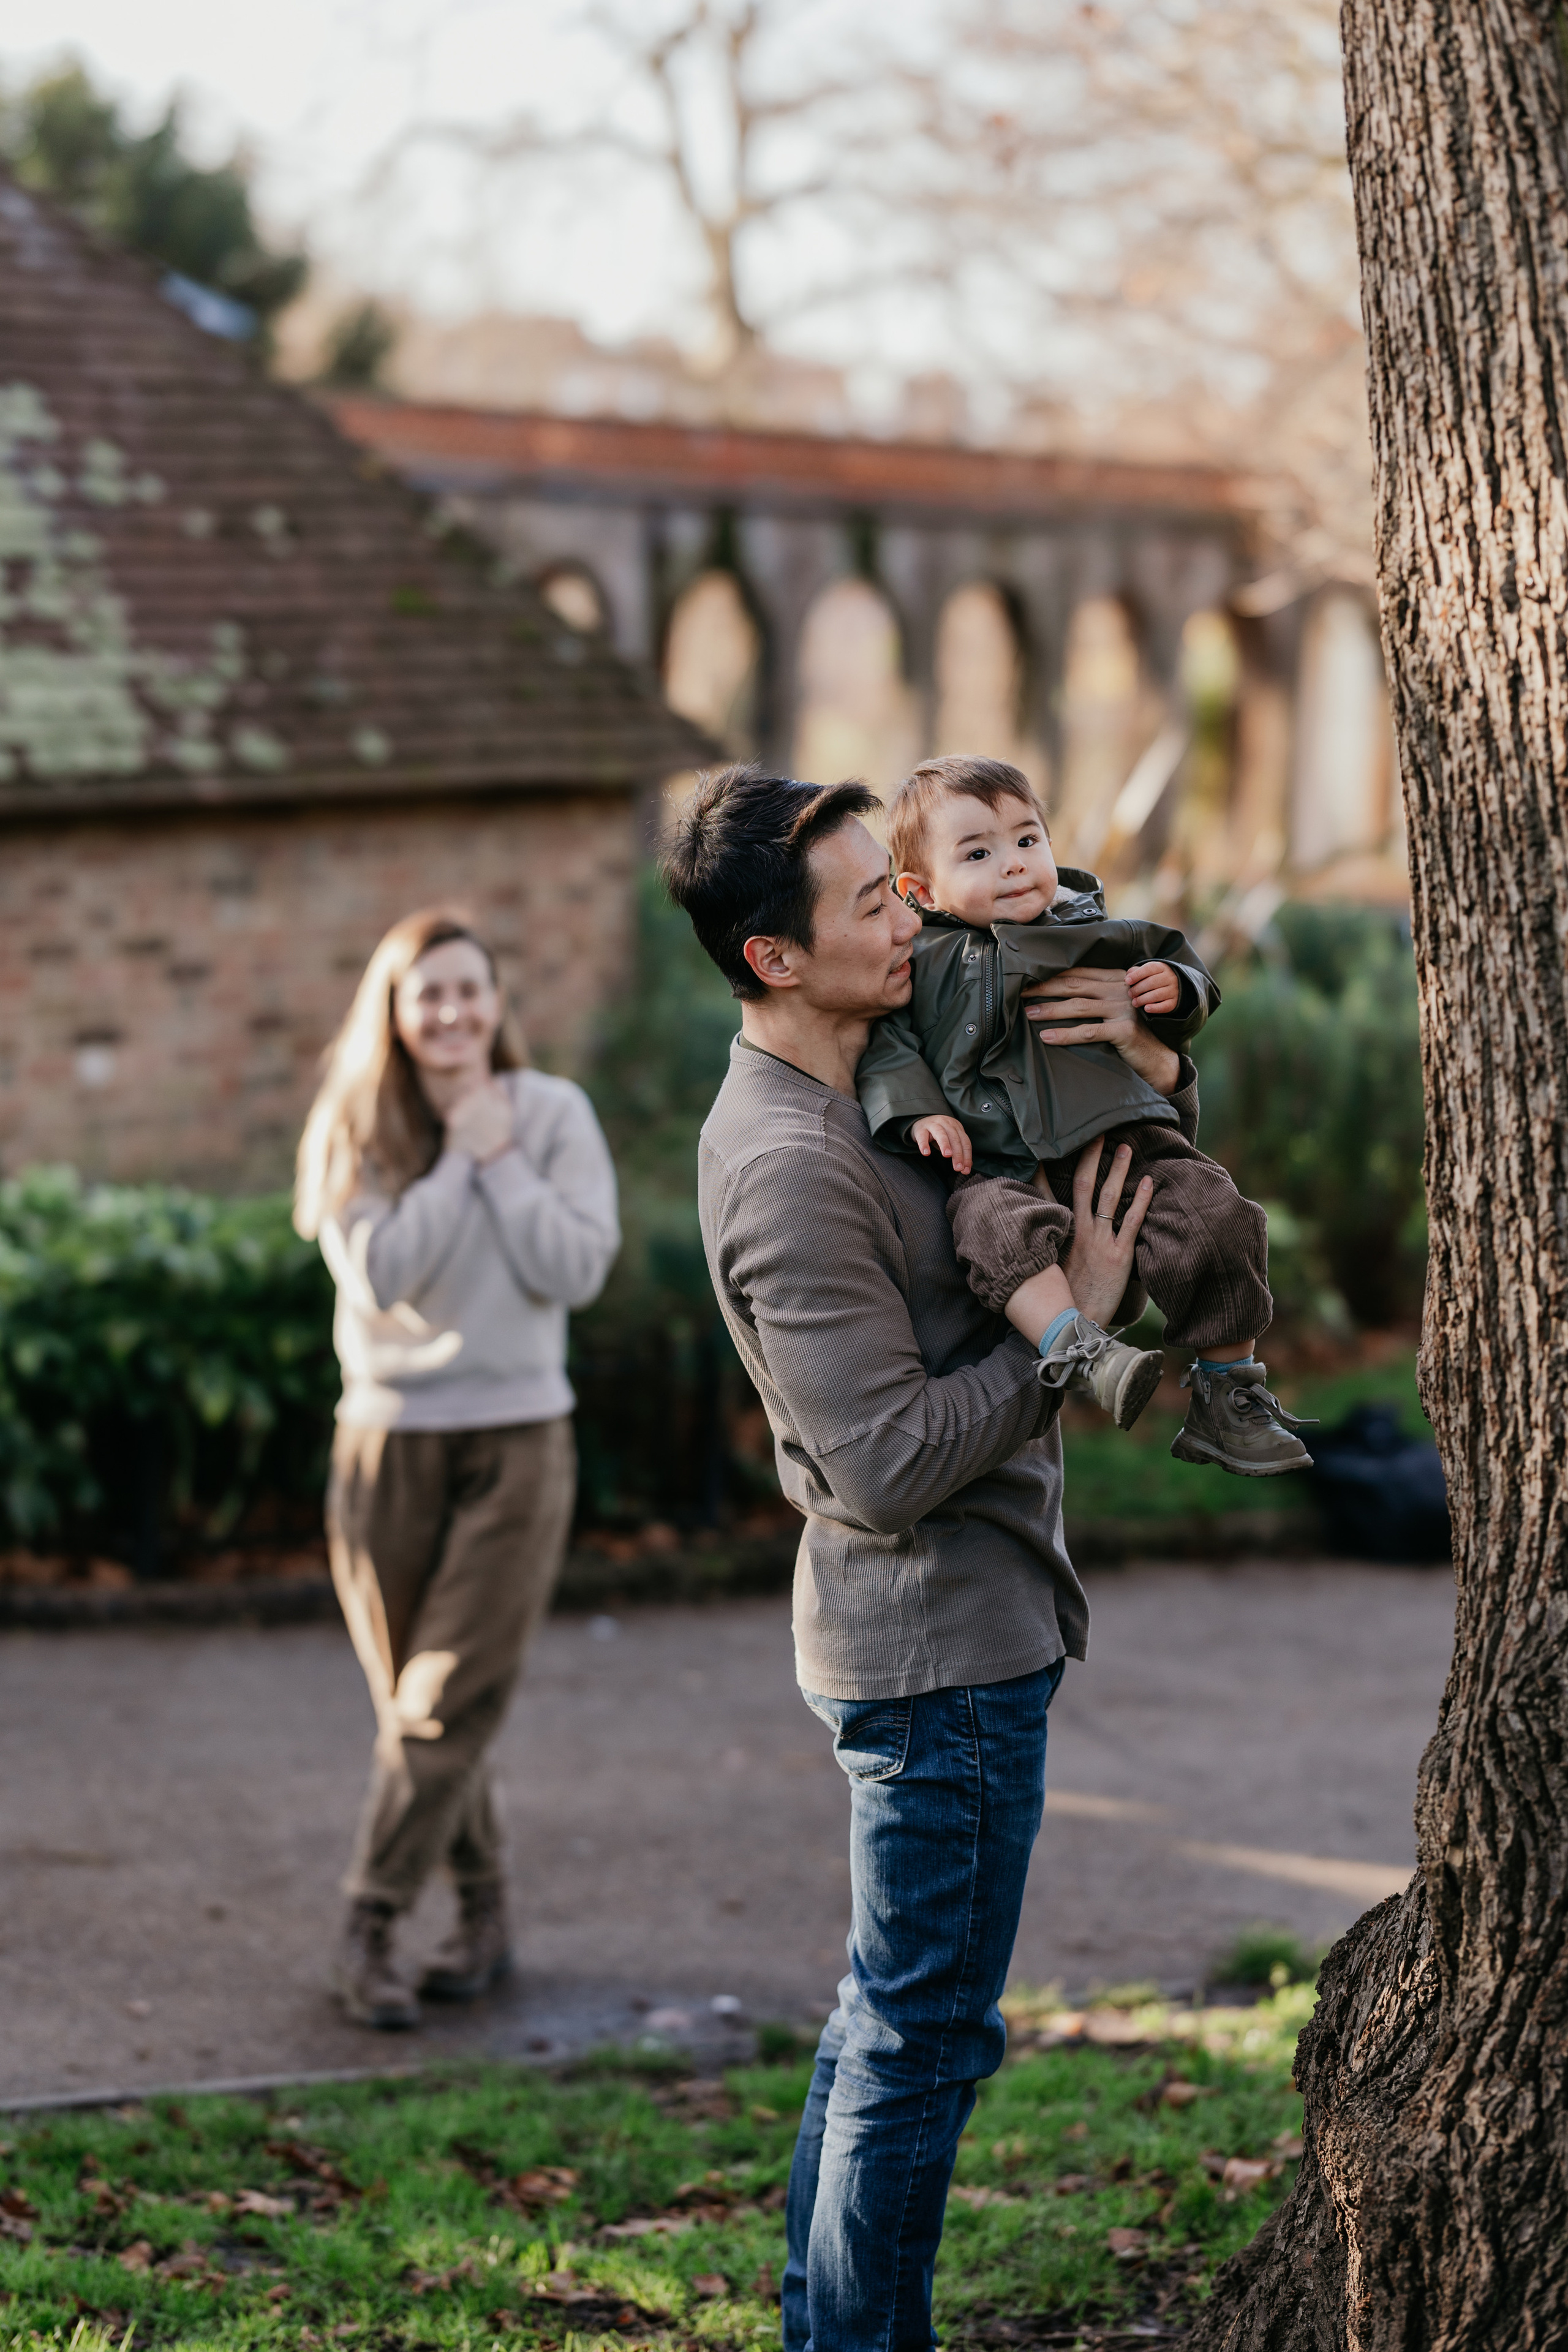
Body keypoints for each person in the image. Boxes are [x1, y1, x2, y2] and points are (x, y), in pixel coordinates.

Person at [660, 763, 1159, 2352]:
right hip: (934, 1653)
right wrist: (1068, 1338)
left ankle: (830, 2330)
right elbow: (882, 1467)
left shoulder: (881, 1062)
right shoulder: (788, 1168)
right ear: (774, 962)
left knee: (890, 2021)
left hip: (950, 1637)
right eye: (870, 900)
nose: (906, 912)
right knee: (925, 2040)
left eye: (896, 878)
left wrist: (1141, 1040)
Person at [294, 907, 619, 2030]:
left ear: (497, 1000)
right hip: (385, 1442)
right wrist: (453, 1162)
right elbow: (381, 1273)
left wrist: (503, 1158)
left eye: (469, 989)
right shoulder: (358, 1123)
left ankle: (367, 1925)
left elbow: (575, 1268)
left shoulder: (553, 1114)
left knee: (441, 1706)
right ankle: (485, 1916)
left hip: (521, 1437)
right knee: (425, 1713)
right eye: (427, 992)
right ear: (394, 1008)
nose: (451, 1011)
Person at [856, 754, 1312, 1476]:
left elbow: (1179, 966)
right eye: (978, 852)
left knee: (1216, 1216)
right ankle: (1079, 1347)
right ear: (920, 890)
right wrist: (915, 1114)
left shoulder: (1090, 928)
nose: (1013, 865)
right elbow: (888, 1049)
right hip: (999, 1159)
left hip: (1126, 1140)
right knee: (994, 1232)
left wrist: (1175, 987)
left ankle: (1228, 1394)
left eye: (1027, 840)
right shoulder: (922, 964)